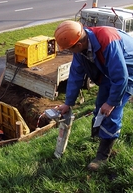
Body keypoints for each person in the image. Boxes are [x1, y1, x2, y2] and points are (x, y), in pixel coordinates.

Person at [54, 20, 133, 171]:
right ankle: (102, 135)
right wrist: (68, 103)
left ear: (77, 45)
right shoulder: (81, 47)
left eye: (69, 49)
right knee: (100, 108)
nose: (70, 52)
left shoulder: (107, 41)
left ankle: (103, 156)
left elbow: (121, 77)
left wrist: (111, 103)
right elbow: (76, 75)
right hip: (110, 73)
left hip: (128, 71)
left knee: (111, 112)